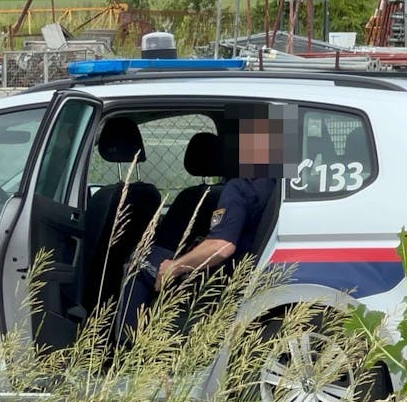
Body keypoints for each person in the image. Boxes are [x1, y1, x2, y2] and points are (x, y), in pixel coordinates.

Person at [114, 103, 289, 340]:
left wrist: (176, 266)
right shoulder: (280, 185)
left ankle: (126, 350)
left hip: (219, 280)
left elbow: (222, 246)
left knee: (138, 268)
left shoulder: (239, 189)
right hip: (252, 273)